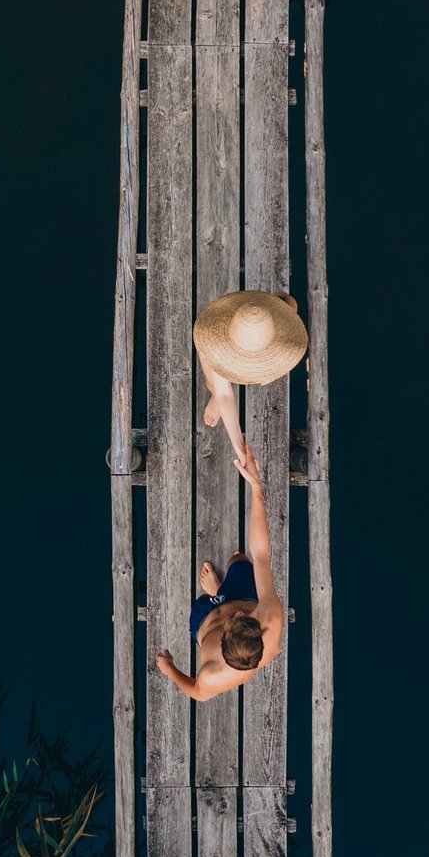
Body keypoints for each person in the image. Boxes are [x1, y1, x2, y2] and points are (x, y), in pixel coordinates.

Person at [155, 441, 285, 701]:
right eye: (246, 617)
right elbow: (261, 554)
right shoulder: (270, 617)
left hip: (205, 619)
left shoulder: (215, 674)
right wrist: (257, 489)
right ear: (259, 631)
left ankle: (215, 594)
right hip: (244, 595)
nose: (237, 613)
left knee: (203, 601)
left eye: (234, 620)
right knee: (239, 558)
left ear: (223, 642)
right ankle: (222, 590)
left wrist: (170, 670)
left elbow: (198, 693)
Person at [194, 289, 307, 461]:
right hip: (220, 343)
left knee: (289, 304)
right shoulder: (218, 347)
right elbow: (225, 395)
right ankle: (213, 392)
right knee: (214, 383)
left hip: (254, 327)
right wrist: (239, 448)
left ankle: (224, 384)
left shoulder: (261, 316)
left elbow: (288, 301)